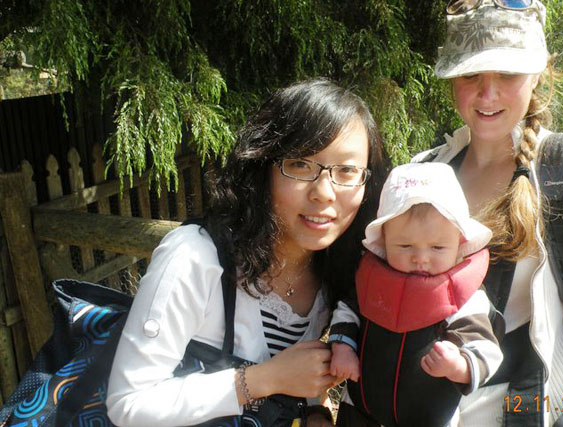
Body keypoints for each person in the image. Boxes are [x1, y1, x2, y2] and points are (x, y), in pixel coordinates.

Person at [105, 78, 389, 426]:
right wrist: (264, 379)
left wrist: (314, 411)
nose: (324, 192)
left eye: (346, 170)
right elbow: (128, 404)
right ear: (262, 167)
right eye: (300, 164)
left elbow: (296, 376)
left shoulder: (334, 268)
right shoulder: (195, 258)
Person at [411, 0, 563, 425]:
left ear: (539, 72)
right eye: (471, 74)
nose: (488, 94)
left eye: (508, 73)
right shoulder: (423, 172)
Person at [328, 162, 503, 426]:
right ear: (384, 242)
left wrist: (459, 365)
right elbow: (347, 311)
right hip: (359, 407)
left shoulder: (465, 297)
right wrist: (342, 347)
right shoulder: (372, 279)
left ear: (459, 244)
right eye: (405, 245)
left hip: (428, 416)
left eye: (437, 247)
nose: (420, 258)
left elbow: (487, 350)